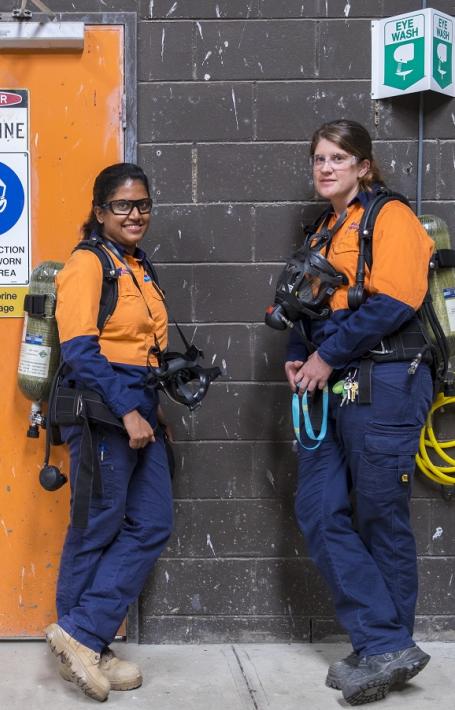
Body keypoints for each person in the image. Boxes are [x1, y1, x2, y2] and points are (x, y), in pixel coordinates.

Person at [284, 120, 434, 706]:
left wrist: (324, 354)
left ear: (363, 166)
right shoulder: (322, 230)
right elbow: (303, 304)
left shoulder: (388, 217)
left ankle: (382, 646)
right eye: (318, 158)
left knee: (379, 514)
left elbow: (396, 300)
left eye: (338, 158)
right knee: (320, 509)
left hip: (386, 380)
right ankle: (385, 641)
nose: (325, 167)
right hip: (330, 385)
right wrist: (299, 356)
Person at [45, 163, 173, 702]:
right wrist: (126, 411)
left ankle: (83, 635)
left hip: (139, 402)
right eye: (122, 205)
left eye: (142, 203)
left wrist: (150, 406)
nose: (135, 213)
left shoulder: (135, 264)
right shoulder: (87, 264)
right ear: (99, 212)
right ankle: (84, 639)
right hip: (102, 407)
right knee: (97, 525)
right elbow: (80, 350)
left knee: (152, 521)